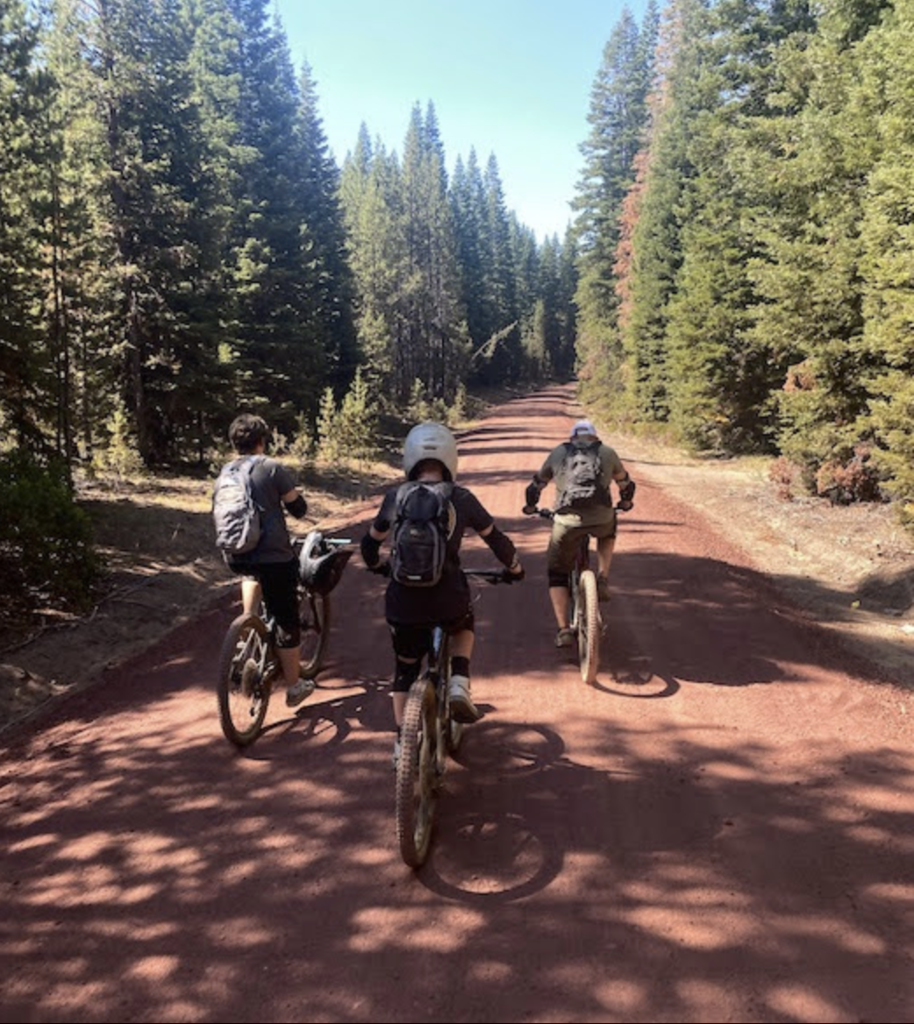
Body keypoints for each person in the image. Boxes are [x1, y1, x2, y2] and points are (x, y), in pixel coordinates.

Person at [360, 421, 525, 766]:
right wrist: (514, 568)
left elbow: (369, 544)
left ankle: (402, 742)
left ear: (410, 458)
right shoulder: (460, 498)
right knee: (464, 623)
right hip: (448, 597)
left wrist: (377, 566)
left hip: (403, 602)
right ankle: (459, 682)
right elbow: (496, 539)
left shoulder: (395, 497)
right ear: (450, 459)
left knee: (405, 669)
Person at [218, 413, 314, 708]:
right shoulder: (271, 468)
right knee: (286, 617)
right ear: (262, 440)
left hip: (235, 553)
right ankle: (295, 686)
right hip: (274, 557)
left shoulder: (226, 471)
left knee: (252, 573)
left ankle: (249, 625)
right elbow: (298, 508)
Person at [523, 418, 635, 648]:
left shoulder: (558, 453)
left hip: (567, 522)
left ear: (573, 437)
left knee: (557, 573)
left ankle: (564, 629)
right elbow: (626, 484)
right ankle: (602, 577)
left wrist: (531, 506)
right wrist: (625, 502)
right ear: (594, 436)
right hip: (602, 518)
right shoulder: (607, 452)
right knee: (608, 532)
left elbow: (535, 486)